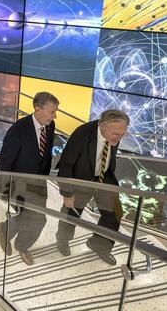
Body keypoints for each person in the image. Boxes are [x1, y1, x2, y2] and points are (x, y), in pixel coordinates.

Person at [55, 109, 129, 266]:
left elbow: (108, 153)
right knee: (71, 214)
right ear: (102, 125)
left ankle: (99, 245)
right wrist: (67, 192)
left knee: (115, 213)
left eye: (123, 134)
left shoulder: (115, 134)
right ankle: (63, 240)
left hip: (104, 178)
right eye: (116, 134)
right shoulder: (82, 134)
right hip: (81, 180)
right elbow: (66, 164)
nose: (119, 138)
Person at [0, 92, 59, 267]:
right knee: (38, 219)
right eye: (52, 112)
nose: (55, 116)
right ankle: (22, 245)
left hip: (38, 184)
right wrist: (3, 190)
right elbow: (5, 161)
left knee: (30, 217)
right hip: (18, 185)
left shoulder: (50, 126)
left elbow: (45, 156)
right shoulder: (18, 130)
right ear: (37, 109)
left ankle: (6, 229)